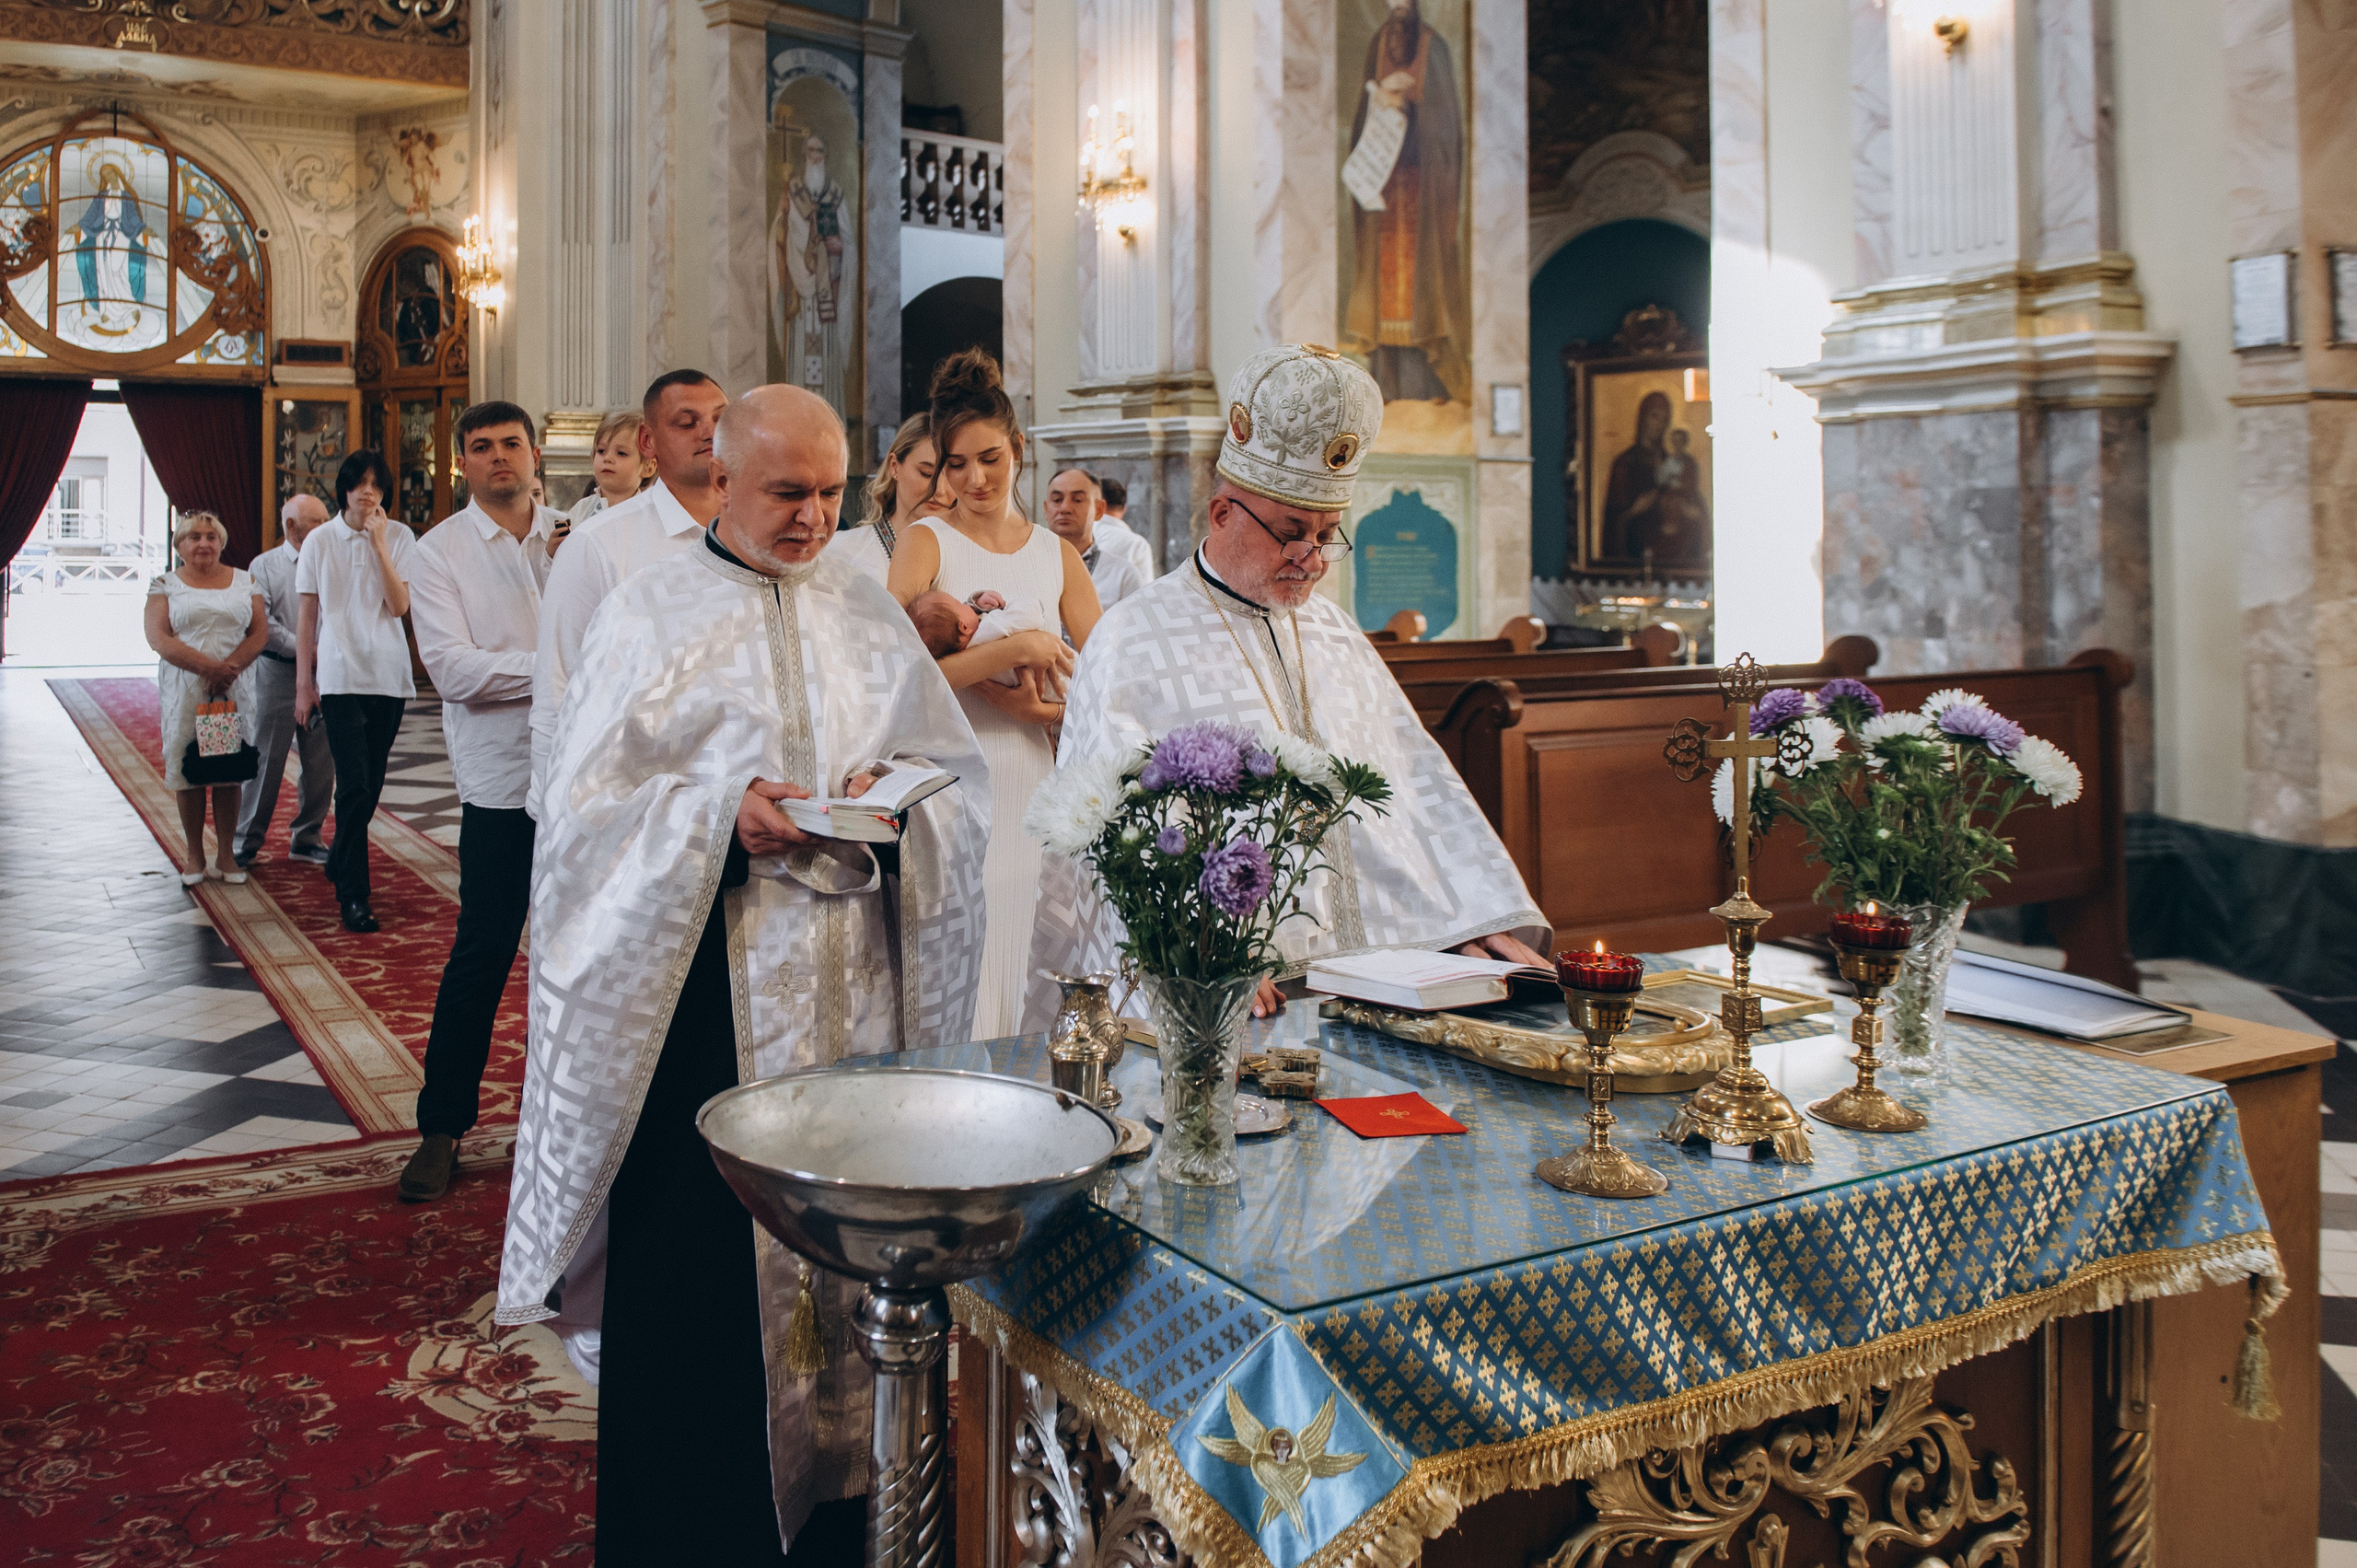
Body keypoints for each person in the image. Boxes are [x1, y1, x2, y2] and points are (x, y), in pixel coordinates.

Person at [495, 384, 989, 1564]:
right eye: (787, 493)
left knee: (854, 1286)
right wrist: (722, 817)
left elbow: (955, 781)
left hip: (856, 1013)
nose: (814, 516)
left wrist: (898, 803)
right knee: (703, 1310)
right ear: (721, 480)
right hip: (704, 1021)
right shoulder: (648, 612)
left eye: (830, 493)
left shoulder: (865, 612)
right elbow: (580, 823)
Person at [1025, 344, 1550, 1028]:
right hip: (1237, 991)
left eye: (1328, 535)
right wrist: (1196, 952)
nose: (1313, 559)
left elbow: (1415, 787)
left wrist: (1468, 919)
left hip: (1383, 982)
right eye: (1292, 532)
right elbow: (1109, 827)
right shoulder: (1135, 638)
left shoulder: (1334, 632)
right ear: (1222, 514)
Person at [887, 349, 1102, 1039]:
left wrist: (1042, 708)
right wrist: (1011, 651)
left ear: (1019, 450)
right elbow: (894, 678)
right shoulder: (924, 541)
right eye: (956, 464)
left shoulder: (1055, 554)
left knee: (1031, 960)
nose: (975, 479)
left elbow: (1105, 678)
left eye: (990, 458)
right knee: (967, 969)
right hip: (953, 785)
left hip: (1035, 779)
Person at [398, 401, 561, 1204]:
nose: (501, 457)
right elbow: (455, 672)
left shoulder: (577, 537)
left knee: (587, 953)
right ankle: (442, 1125)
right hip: (501, 783)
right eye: (483, 447)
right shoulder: (439, 552)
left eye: (512, 444)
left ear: (535, 454)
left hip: (588, 776)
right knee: (483, 952)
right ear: (463, 462)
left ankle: (572, 1120)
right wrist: (563, 668)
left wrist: (550, 667)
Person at [530, 368, 729, 820]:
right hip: (635, 801)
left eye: (721, 420)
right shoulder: (597, 544)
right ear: (648, 442)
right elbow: (558, 684)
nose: (709, 433)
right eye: (687, 422)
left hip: (740, 794)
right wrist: (553, 812)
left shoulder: (753, 534)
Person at [296, 450, 416, 934]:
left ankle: (339, 857)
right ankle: (354, 895)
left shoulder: (401, 536)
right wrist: (304, 684)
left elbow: (399, 605)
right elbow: (307, 616)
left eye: (376, 484)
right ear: (343, 490)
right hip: (340, 674)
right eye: (359, 483)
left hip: (388, 673)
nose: (368, 492)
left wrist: (380, 543)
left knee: (371, 783)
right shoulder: (320, 540)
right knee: (355, 785)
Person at [1341, 0, 1469, 405]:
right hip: (1385, 189)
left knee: (1421, 280)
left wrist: (1410, 98)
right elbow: (1362, 117)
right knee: (1381, 283)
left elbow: (1447, 126)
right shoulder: (1378, 43)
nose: (1397, 4)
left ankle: (1428, 382)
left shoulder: (1435, 47)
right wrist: (1380, 100)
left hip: (1422, 187)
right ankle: (1385, 381)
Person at [145, 511, 267, 888]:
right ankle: (194, 854)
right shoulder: (164, 585)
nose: (203, 543)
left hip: (233, 689)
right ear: (179, 545)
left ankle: (226, 854)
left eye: (211, 537)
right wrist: (210, 669)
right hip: (187, 690)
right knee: (189, 770)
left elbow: (259, 633)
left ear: (221, 543)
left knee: (228, 770)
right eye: (194, 537)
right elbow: (158, 637)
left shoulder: (246, 581)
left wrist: (229, 670)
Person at [233, 494, 335, 868]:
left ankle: (307, 837)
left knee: (321, 763)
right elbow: (263, 623)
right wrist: (305, 649)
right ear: (291, 526)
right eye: (317, 520)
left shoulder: (331, 557)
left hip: (325, 673)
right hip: (277, 672)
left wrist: (324, 654)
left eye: (326, 518)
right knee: (266, 758)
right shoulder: (264, 565)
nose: (326, 526)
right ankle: (245, 839)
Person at [825, 411, 943, 585]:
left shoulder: (970, 556)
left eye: (949, 476)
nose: (940, 490)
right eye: (927, 473)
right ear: (894, 466)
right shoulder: (842, 552)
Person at [1044, 467, 1147, 610]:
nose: (1065, 508)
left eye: (1077, 500)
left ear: (1099, 510)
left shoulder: (1124, 575)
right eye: (1057, 500)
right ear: (1046, 509)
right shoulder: (1025, 565)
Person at [556, 408, 654, 554]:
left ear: (648, 467)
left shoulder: (649, 515)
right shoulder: (581, 510)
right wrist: (552, 553)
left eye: (621, 453)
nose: (607, 458)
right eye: (601, 451)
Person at [1088, 472, 1158, 581]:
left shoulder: (1080, 534)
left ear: (1097, 506)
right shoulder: (1137, 544)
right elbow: (1146, 588)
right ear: (1124, 509)